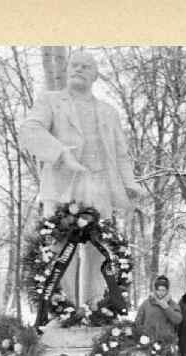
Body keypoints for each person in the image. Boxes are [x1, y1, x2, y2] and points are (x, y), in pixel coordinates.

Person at [20, 50, 141, 308]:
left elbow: (121, 154)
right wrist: (61, 154)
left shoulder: (109, 112)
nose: (79, 69)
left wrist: (129, 183)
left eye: (86, 66)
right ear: (67, 70)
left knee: (100, 249)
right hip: (63, 184)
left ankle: (96, 309)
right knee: (61, 247)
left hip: (99, 185)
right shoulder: (51, 101)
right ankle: (62, 312)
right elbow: (30, 131)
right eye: (75, 65)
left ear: (95, 75)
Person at [134, 275, 183, 345]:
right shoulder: (147, 303)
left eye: (163, 290)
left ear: (167, 291)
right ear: (155, 290)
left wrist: (166, 308)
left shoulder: (172, 304)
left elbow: (178, 320)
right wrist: (144, 333)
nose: (161, 293)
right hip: (148, 343)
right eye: (158, 290)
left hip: (166, 343)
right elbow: (138, 321)